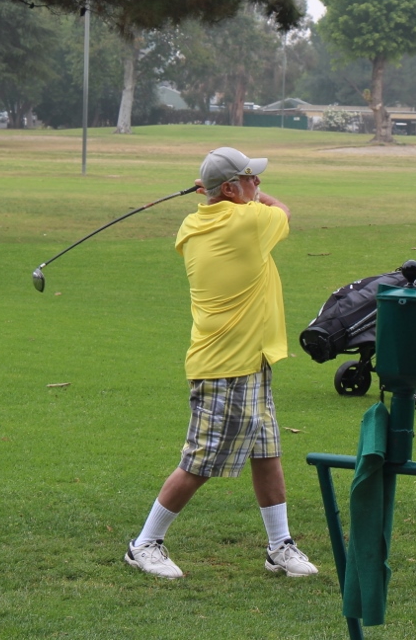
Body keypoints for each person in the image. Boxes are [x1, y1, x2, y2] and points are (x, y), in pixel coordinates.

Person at [124, 146, 318, 580]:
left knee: (267, 454)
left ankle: (279, 546)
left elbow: (236, 203)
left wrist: (221, 193)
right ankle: (144, 544)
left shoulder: (194, 222)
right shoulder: (248, 222)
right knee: (200, 461)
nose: (260, 185)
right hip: (225, 366)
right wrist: (251, 197)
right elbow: (283, 210)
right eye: (252, 178)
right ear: (231, 188)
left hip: (253, 360)